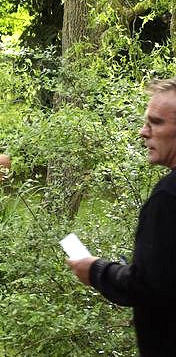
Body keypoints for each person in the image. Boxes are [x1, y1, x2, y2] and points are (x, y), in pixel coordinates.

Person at [68, 78, 176, 356]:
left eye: (156, 123)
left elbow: (147, 286)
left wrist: (94, 270)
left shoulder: (168, 198)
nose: (143, 132)